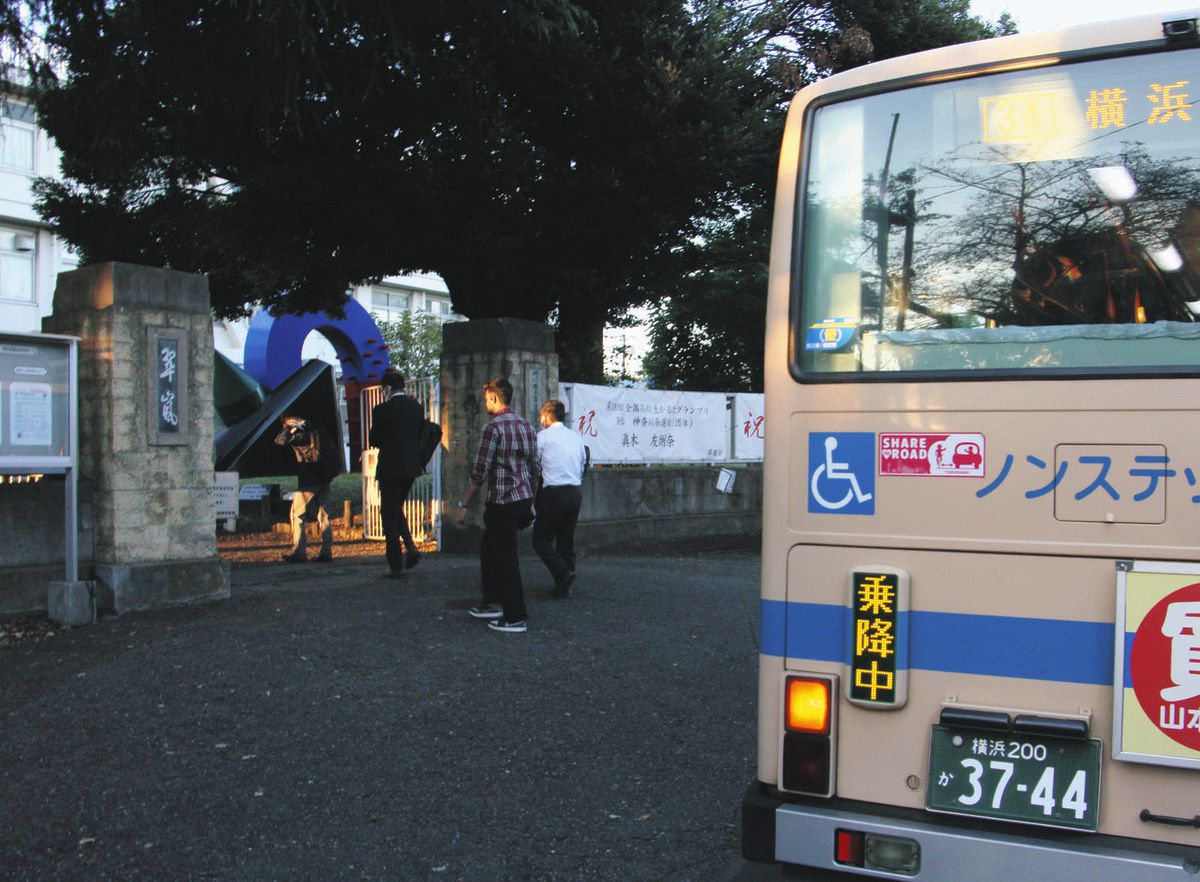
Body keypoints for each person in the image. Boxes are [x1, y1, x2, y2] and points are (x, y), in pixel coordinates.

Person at [454, 376, 539, 634]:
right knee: (490, 548)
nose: (485, 403)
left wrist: (463, 503)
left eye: (486, 399)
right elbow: (535, 468)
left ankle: (515, 616)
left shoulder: (493, 428)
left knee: (505, 557)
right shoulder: (527, 426)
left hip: (502, 501)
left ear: (493, 398)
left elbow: (480, 471)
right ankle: (492, 601)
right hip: (523, 499)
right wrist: (532, 501)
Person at [369, 371, 426, 579]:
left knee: (389, 514)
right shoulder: (416, 408)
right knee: (395, 508)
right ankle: (410, 547)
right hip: (411, 467)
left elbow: (373, 439)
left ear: (388, 389)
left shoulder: (381, 410)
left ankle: (395, 564)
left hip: (389, 467)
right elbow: (420, 434)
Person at [532, 399, 586, 598]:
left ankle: (562, 573)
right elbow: (581, 465)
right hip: (574, 492)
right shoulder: (576, 438)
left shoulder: (542, 437)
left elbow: (535, 467)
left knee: (540, 539)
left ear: (546, 416)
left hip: (553, 492)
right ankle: (564, 585)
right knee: (566, 540)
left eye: (541, 417)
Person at [274, 414, 336, 563]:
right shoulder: (318, 430)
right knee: (324, 514)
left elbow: (280, 441)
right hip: (325, 476)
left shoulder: (301, 436)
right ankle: (326, 552)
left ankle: (299, 552)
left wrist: (289, 428)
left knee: (297, 514)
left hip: (309, 479)